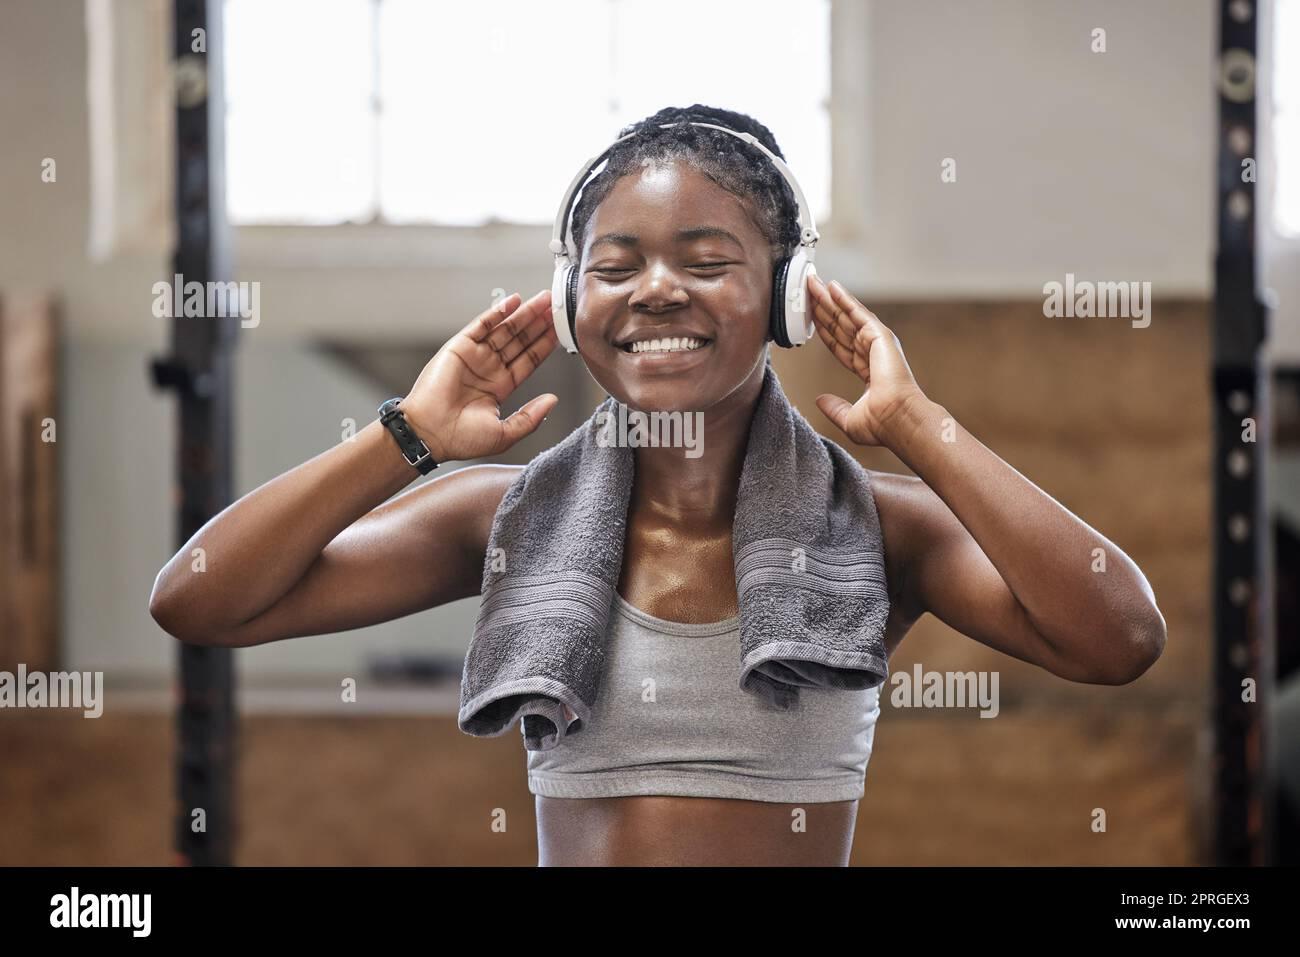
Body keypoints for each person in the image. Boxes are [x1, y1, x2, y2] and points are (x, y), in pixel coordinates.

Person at [149, 104, 1167, 866]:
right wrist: (407, 435)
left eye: (707, 258)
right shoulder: (505, 518)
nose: (656, 290)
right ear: (568, 297)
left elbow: (1117, 637)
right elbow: (198, 597)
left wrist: (917, 428)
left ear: (785, 299)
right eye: (616, 264)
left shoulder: (875, 529)